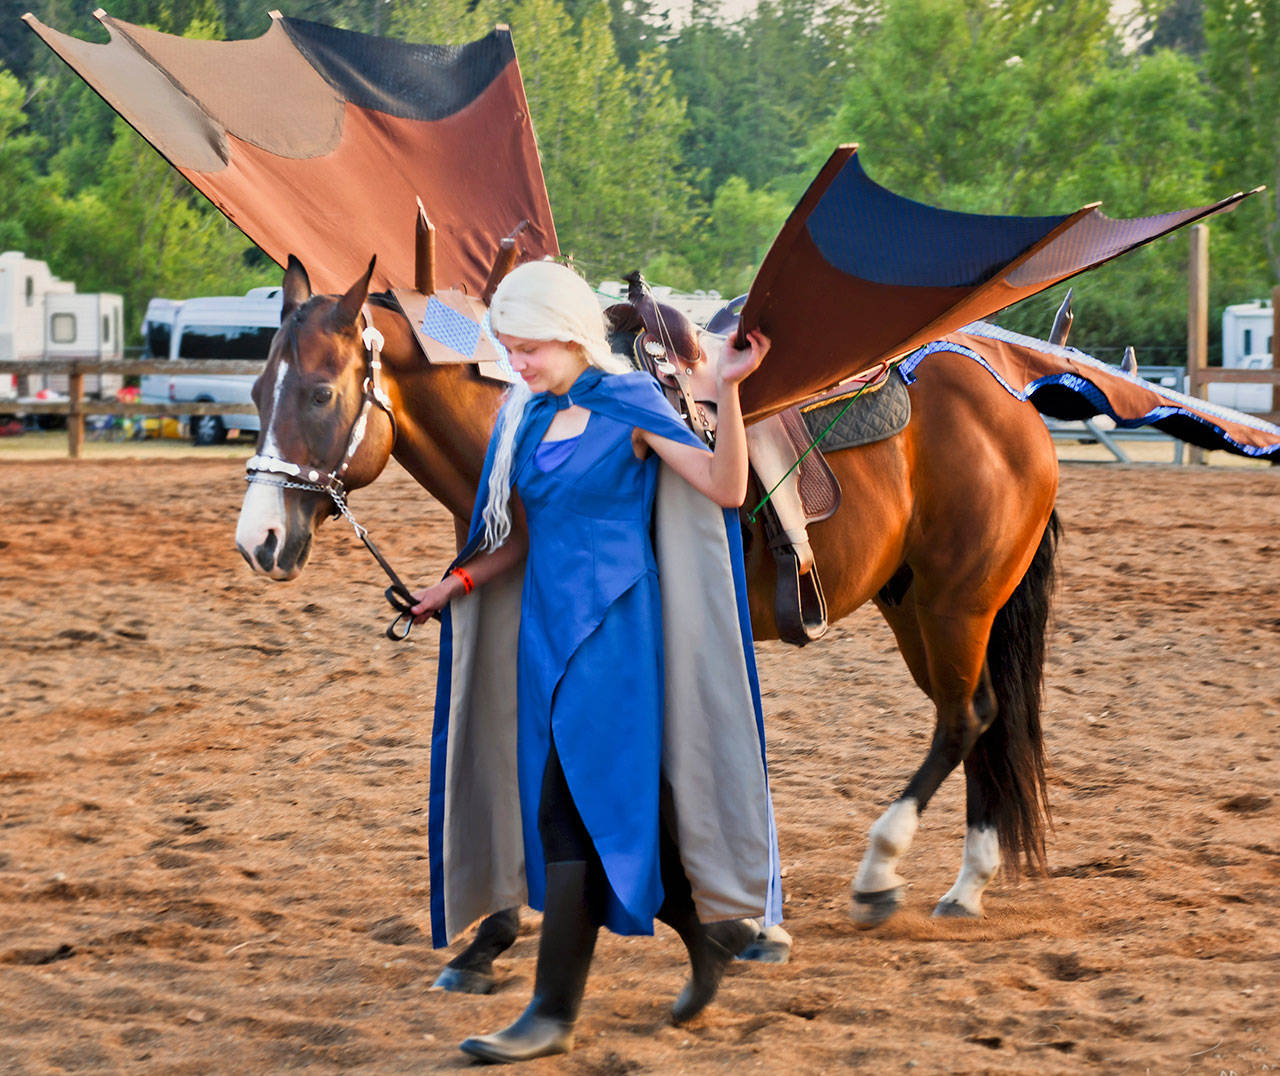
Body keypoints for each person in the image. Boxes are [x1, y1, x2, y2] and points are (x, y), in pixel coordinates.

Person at [411, 260, 781, 1064]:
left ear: (572, 335)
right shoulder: (528, 416)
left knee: (564, 813)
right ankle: (709, 934)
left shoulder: (634, 406)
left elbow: (724, 488)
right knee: (616, 810)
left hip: (616, 638)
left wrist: (730, 389)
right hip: (544, 636)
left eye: (529, 348)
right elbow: (519, 537)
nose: (517, 364)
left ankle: (550, 1013)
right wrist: (454, 584)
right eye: (508, 348)